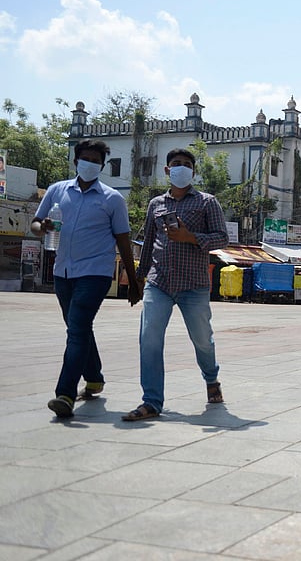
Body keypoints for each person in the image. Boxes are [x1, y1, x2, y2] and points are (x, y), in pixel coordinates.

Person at [32, 139, 141, 418]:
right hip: (63, 272)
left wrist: (133, 279)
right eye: (86, 159)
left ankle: (65, 394)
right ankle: (94, 378)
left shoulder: (112, 199)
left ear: (101, 166)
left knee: (77, 328)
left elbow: (123, 239)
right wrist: (41, 227)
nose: (91, 164)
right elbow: (35, 223)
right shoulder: (57, 190)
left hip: (96, 273)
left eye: (96, 161)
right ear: (75, 161)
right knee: (78, 327)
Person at [122, 148, 229, 421]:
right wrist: (139, 278)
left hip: (193, 284)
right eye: (175, 164)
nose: (181, 168)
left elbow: (221, 238)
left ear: (193, 172)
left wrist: (190, 237)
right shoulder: (156, 204)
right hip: (159, 283)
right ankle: (152, 401)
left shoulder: (207, 203)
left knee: (202, 340)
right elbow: (148, 242)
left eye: (186, 165)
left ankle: (211, 378)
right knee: (149, 339)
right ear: (167, 171)